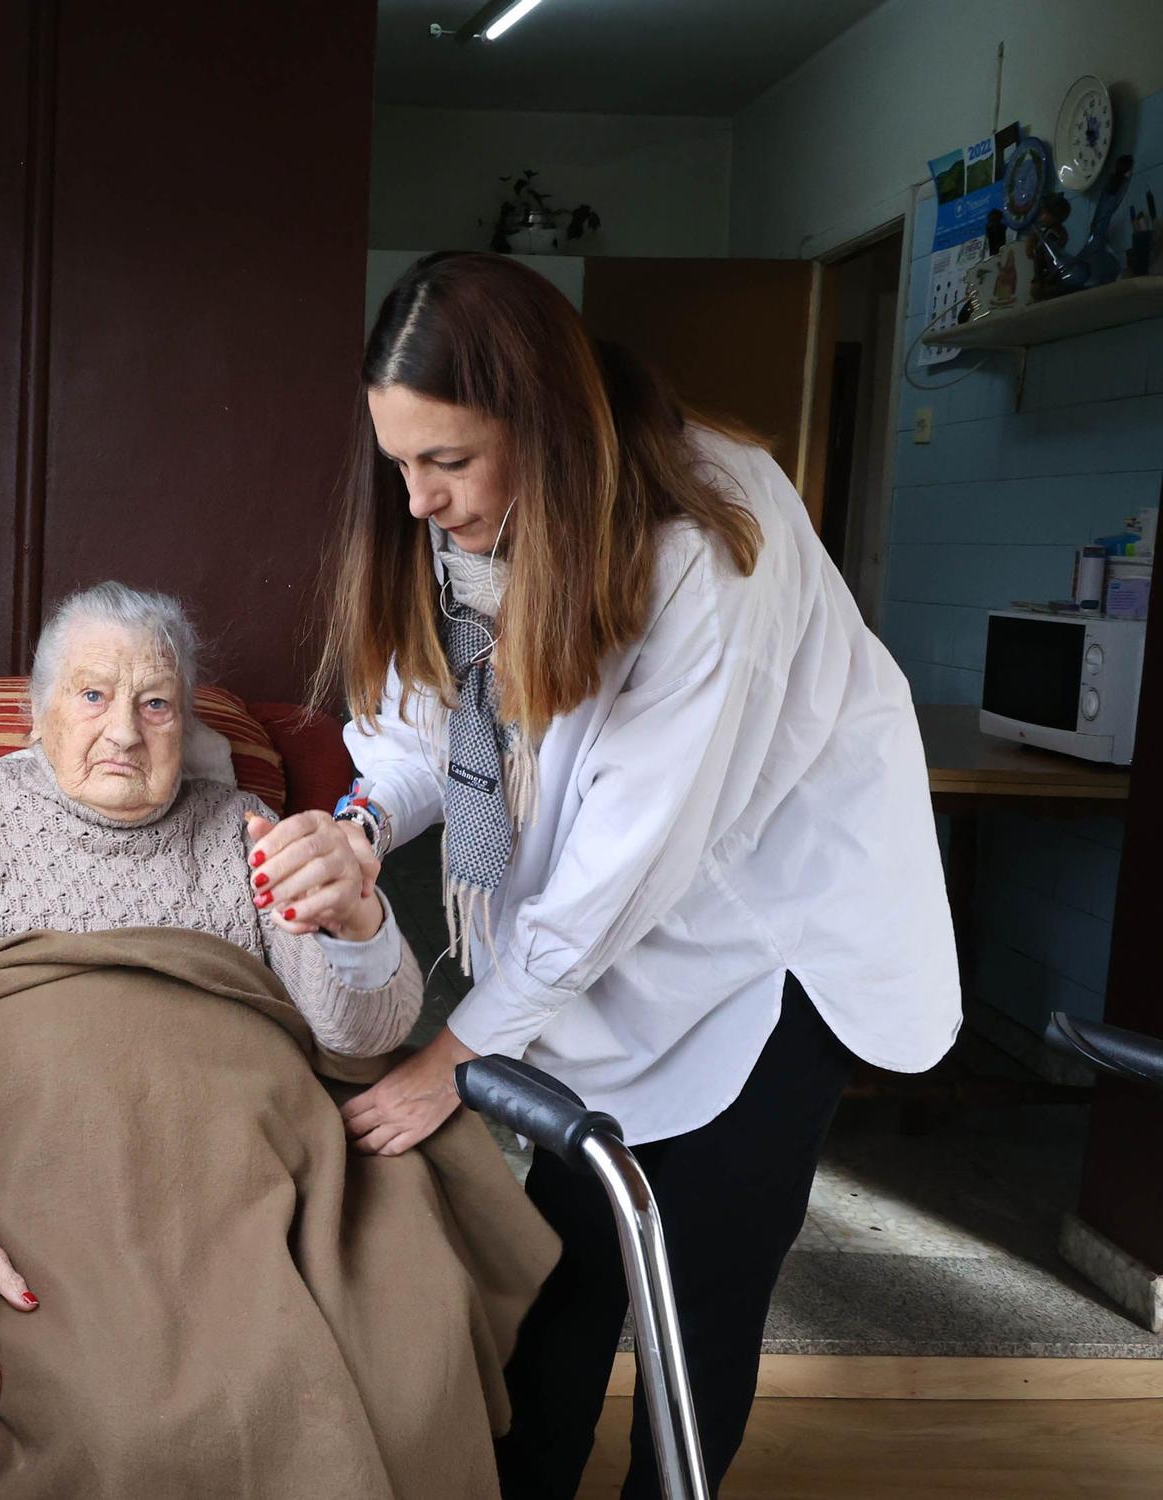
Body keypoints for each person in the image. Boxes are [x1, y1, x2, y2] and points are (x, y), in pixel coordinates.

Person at [248, 252, 959, 1499]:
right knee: (573, 1254)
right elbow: (427, 732)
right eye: (397, 462)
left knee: (700, 1280)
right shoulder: (467, 525)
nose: (414, 500)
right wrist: (358, 826)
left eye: (445, 463)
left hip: (776, 934)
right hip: (616, 926)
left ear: (540, 419)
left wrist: (450, 1061)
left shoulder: (708, 543)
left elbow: (620, 869)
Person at [0, 580, 557, 1499]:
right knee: (85, 1412)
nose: (124, 731)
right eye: (92, 695)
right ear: (39, 716)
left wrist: (357, 925)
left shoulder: (245, 833)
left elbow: (359, 1038)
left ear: (185, 722)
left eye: (155, 702)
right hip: (34, 1168)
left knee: (363, 1347)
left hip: (238, 1168)